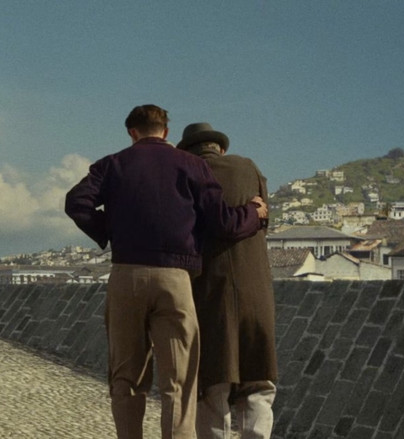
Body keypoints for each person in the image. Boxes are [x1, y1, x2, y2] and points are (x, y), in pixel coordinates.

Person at [65, 105, 268, 439]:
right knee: (179, 381)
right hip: (175, 279)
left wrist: (111, 231)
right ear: (166, 132)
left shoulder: (112, 164)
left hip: (127, 275)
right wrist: (253, 212)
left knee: (126, 376)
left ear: (132, 132)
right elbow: (222, 223)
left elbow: (76, 202)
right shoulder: (191, 165)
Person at [176, 123, 279, 439]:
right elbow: (263, 217)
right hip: (255, 290)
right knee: (258, 382)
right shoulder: (248, 168)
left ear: (188, 152)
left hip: (210, 290)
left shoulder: (186, 176)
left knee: (213, 383)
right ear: (219, 148)